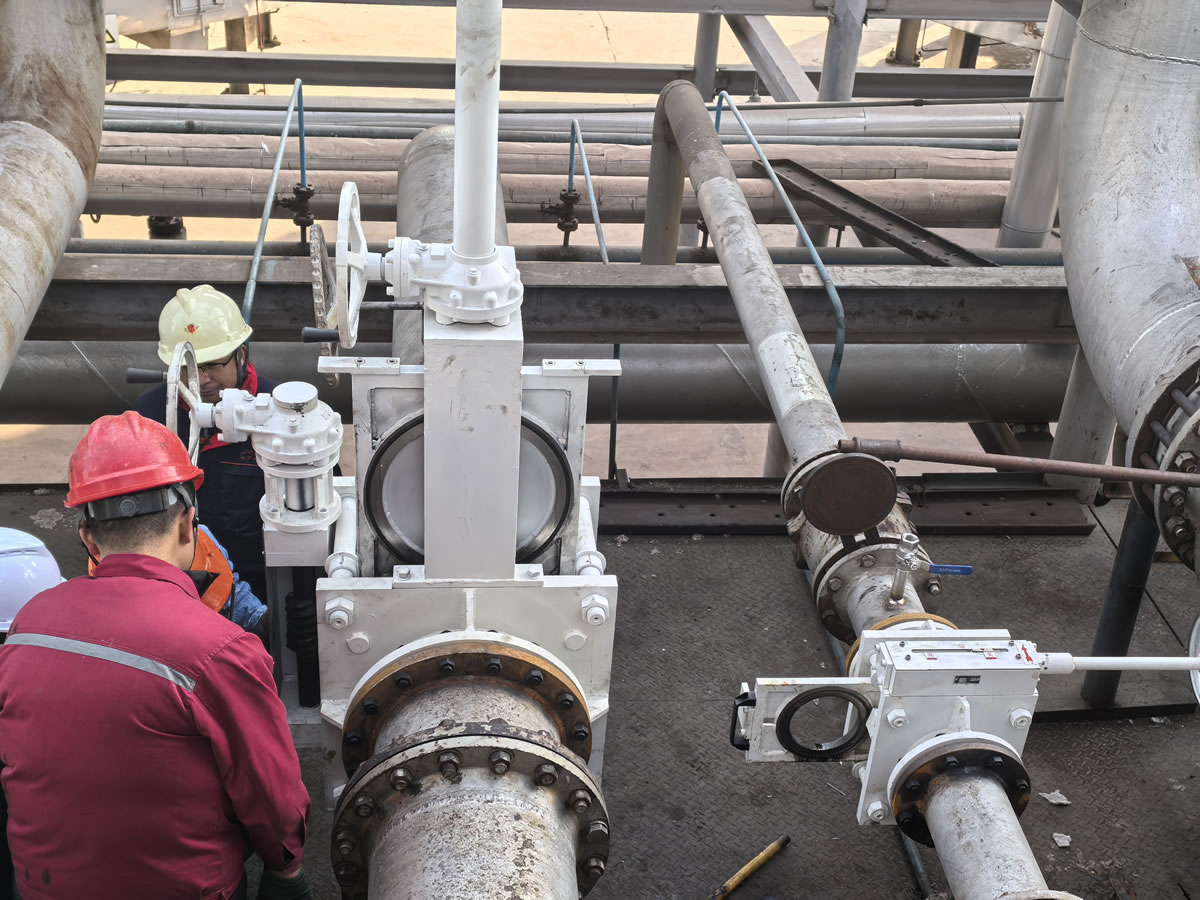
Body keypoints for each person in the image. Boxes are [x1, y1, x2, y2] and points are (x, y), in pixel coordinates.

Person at [0, 412, 311, 900]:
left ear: (87, 538)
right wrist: (286, 869)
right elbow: (273, 796)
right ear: (188, 524)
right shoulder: (219, 649)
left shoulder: (28, 625)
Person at [136, 285, 277, 603]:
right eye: (188, 367)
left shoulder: (280, 412)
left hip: (262, 581)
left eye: (213, 364)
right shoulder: (152, 414)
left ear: (241, 355)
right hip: (178, 582)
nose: (201, 379)